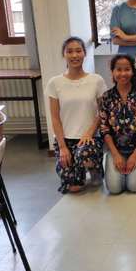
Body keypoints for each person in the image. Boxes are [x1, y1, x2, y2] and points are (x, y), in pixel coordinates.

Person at [47, 36, 106, 193]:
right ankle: (77, 172)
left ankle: (94, 169)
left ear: (84, 53)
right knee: (74, 187)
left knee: (86, 155)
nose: (74, 55)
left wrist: (89, 133)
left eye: (78, 51)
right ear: (64, 55)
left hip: (89, 138)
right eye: (70, 51)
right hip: (66, 139)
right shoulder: (55, 83)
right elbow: (55, 118)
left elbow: (102, 112)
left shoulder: (96, 80)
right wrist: (62, 147)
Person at [99, 55, 136, 194]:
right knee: (114, 188)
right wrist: (115, 154)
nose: (123, 73)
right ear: (112, 72)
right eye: (118, 69)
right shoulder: (106, 97)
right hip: (116, 149)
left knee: (134, 186)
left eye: (127, 69)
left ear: (133, 71)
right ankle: (124, 171)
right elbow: (104, 128)